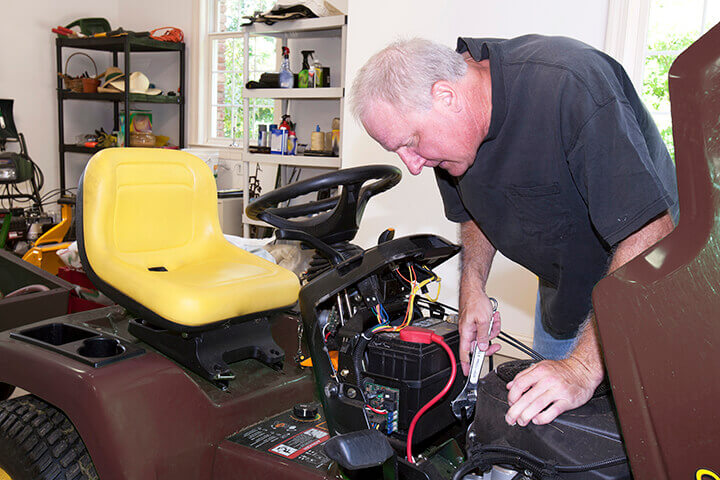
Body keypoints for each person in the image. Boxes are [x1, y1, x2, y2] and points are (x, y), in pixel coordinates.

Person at [350, 36, 678, 426]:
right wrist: (473, 285)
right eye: (398, 152)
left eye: (412, 143)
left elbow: (649, 233)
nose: (414, 165)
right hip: (566, 295)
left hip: (653, 293)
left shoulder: (570, 85)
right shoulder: (448, 138)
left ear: (446, 96)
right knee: (549, 437)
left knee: (643, 438)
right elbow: (473, 209)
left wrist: (583, 367)